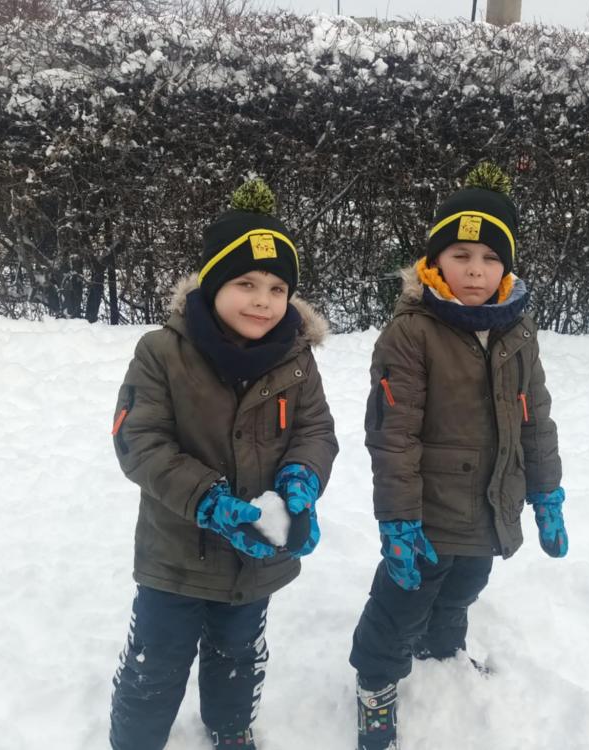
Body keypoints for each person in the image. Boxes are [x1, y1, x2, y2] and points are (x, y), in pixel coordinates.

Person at [108, 179, 339, 750]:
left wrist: (301, 481)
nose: (263, 301)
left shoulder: (296, 361)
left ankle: (231, 727)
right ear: (213, 284)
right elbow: (140, 440)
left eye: (278, 288)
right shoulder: (162, 353)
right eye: (246, 284)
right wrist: (208, 501)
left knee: (239, 652)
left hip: (254, 556)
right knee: (157, 660)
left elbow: (315, 431)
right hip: (176, 553)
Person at [349, 163, 568, 750]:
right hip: (426, 508)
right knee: (402, 601)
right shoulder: (412, 332)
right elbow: (393, 433)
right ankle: (375, 685)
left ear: (507, 267)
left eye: (491, 258)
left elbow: (535, 416)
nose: (475, 270)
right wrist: (398, 517)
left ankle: (441, 652)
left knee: (465, 584)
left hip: (493, 499)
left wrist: (545, 491)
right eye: (461, 254)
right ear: (435, 259)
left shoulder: (517, 328)